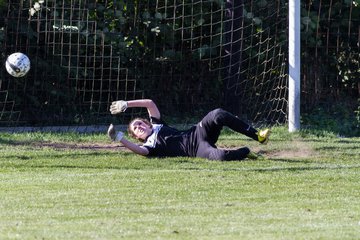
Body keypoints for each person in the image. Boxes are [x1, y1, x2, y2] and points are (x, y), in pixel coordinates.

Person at [107, 99, 271, 161]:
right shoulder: (149, 146)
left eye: (140, 123)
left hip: (196, 133)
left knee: (217, 114)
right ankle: (246, 151)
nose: (139, 127)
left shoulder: (157, 124)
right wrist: (119, 137)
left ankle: (258, 136)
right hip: (196, 149)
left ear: (148, 124)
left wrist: (127, 104)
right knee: (220, 156)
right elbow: (140, 152)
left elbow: (150, 103)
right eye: (135, 128)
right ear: (136, 136)